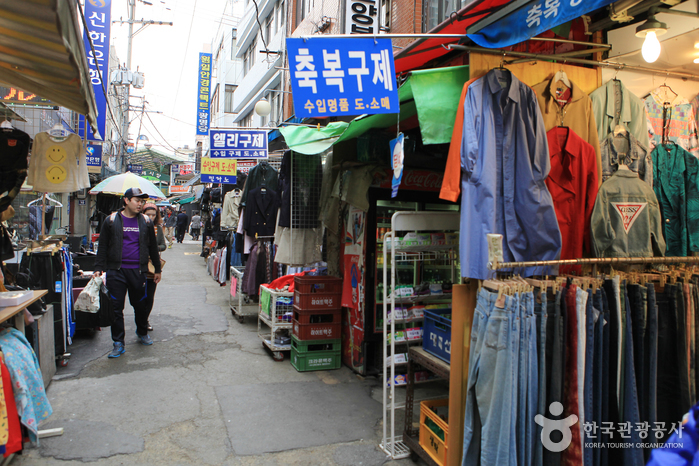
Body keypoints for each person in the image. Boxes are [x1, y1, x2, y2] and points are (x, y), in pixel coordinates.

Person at [94, 187, 162, 358]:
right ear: (126, 200)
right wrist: (98, 268)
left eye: (142, 201)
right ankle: (118, 343)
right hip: (116, 271)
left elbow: (153, 248)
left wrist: (157, 269)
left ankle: (142, 331)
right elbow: (102, 246)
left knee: (140, 305)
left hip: (138, 271)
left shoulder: (146, 222)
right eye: (137, 200)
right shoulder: (110, 220)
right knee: (116, 308)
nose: (140, 204)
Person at [142, 203, 166, 332]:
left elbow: (163, 245)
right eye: (148, 215)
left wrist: (153, 249)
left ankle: (145, 320)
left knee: (150, 297)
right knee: (139, 297)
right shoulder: (138, 227)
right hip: (138, 266)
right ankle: (140, 320)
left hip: (152, 267)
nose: (150, 217)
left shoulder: (158, 228)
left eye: (153, 215)